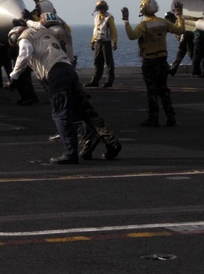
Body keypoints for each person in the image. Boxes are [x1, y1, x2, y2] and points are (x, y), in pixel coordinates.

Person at [8, 13, 121, 164]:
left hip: (56, 74)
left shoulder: (25, 37)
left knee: (61, 114)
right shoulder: (47, 32)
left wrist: (14, 76)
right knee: (85, 111)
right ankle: (110, 142)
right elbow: (38, 25)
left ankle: (70, 153)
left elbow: (24, 53)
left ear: (15, 35)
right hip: (69, 70)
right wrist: (27, 20)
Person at [122, 0, 185, 127]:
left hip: (149, 62)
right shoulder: (163, 22)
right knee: (163, 90)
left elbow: (132, 36)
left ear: (143, 9)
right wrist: (179, 15)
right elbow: (180, 30)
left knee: (152, 91)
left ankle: (153, 118)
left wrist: (126, 21)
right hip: (162, 61)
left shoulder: (144, 24)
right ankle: (170, 116)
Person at [86, 0, 117, 87]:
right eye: (99, 8)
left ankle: (109, 81)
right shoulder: (96, 18)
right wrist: (92, 41)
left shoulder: (109, 17)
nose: (100, 9)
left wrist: (114, 42)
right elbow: (96, 31)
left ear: (105, 8)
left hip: (106, 42)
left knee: (109, 62)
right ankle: (95, 80)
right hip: (98, 42)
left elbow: (113, 31)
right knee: (97, 62)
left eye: (102, 8)